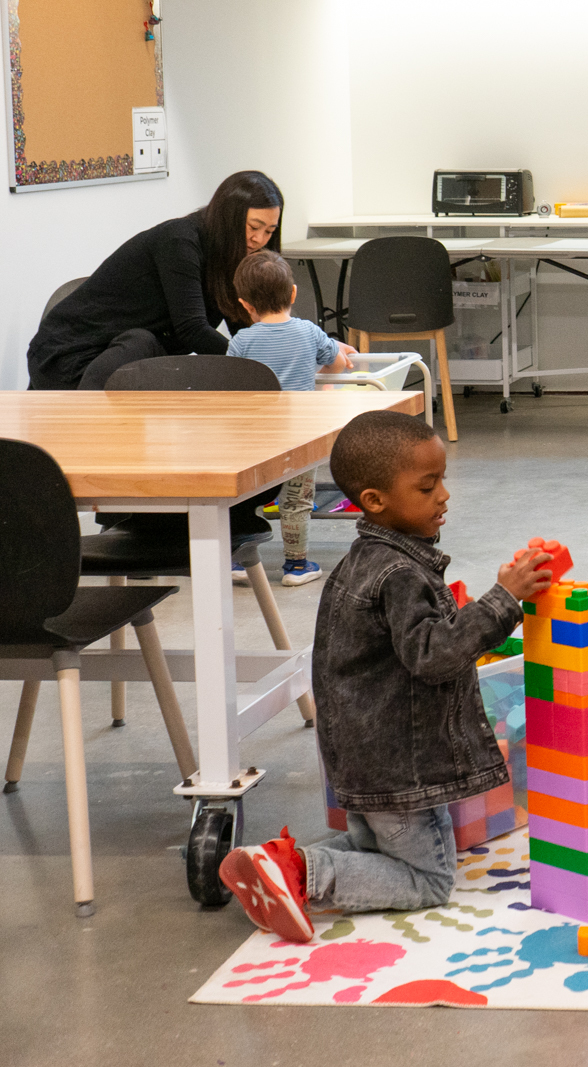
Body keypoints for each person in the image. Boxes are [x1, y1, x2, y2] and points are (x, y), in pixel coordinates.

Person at [218, 411, 554, 942]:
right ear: (374, 500)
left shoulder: (362, 562)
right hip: (401, 767)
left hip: (360, 754)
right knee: (428, 879)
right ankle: (308, 874)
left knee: (376, 849)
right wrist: (504, 598)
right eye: (427, 486)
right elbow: (436, 656)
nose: (444, 495)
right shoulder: (398, 575)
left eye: (442, 479)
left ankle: (278, 863)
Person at [27, 171, 338, 389]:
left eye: (270, 231)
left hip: (127, 360)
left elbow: (252, 324)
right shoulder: (180, 242)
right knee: (145, 343)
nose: (259, 239)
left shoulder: (232, 255)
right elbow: (192, 330)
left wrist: (321, 347)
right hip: (70, 358)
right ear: (230, 219)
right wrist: (256, 363)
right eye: (254, 226)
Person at [227, 250, 354, 586]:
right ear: (293, 294)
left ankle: (239, 561)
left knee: (246, 498)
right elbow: (338, 363)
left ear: (246, 305)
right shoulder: (308, 332)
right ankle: (296, 566)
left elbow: (231, 382)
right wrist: (329, 361)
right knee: (296, 500)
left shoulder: (242, 340)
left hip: (255, 437)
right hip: (300, 436)